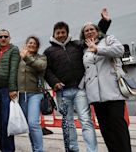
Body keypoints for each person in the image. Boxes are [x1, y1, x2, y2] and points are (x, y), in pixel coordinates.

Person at [43, 9, 111, 152]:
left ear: (67, 33)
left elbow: (92, 37)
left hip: (80, 89)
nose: (61, 35)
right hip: (62, 92)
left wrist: (104, 23)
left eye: (63, 32)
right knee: (68, 123)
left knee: (86, 121)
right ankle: (73, 149)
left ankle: (92, 150)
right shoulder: (48, 51)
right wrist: (54, 82)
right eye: (58, 32)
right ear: (54, 34)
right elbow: (46, 70)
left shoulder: (77, 45)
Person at [79, 22, 132, 152]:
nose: (89, 31)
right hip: (96, 95)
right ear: (83, 34)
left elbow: (120, 50)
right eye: (86, 31)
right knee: (105, 128)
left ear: (97, 31)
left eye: (92, 29)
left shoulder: (108, 40)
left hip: (112, 90)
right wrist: (81, 87)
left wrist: (98, 49)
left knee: (118, 125)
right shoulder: (84, 50)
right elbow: (86, 71)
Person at [0, 29, 20, 152]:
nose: (3, 38)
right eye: (0, 36)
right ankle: (2, 148)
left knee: (6, 122)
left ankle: (9, 149)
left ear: (9, 38)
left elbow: (14, 69)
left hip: (6, 90)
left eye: (5, 36)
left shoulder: (14, 50)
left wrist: (13, 88)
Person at [17, 36, 47, 152]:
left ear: (37, 46)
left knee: (33, 123)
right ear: (26, 44)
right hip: (21, 95)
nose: (32, 45)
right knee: (29, 126)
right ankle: (34, 148)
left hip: (35, 93)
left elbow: (41, 66)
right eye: (30, 43)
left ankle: (39, 150)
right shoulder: (19, 58)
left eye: (34, 43)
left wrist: (27, 57)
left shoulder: (41, 57)